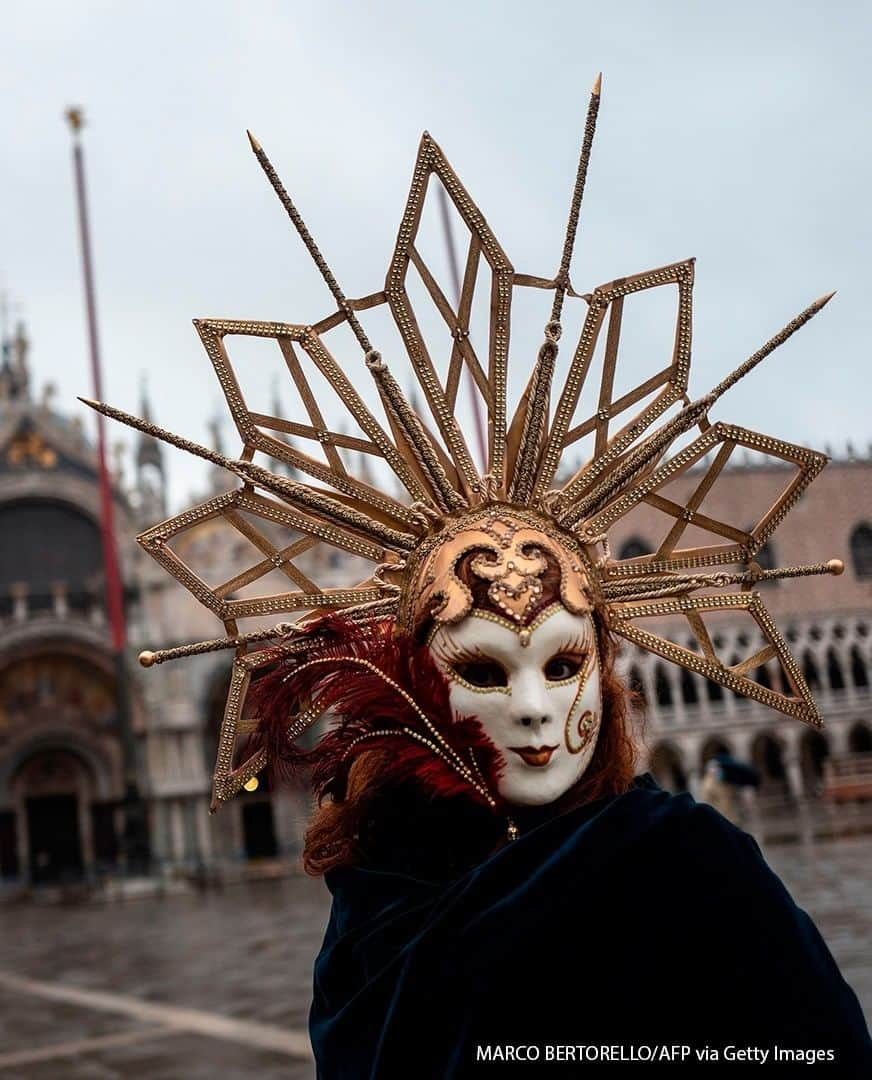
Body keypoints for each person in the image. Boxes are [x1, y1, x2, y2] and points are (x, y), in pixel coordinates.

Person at [91, 78, 872, 1075]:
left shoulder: (689, 877)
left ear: (605, 661)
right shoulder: (377, 910)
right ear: (416, 686)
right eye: (489, 671)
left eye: (562, 664)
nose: (541, 715)